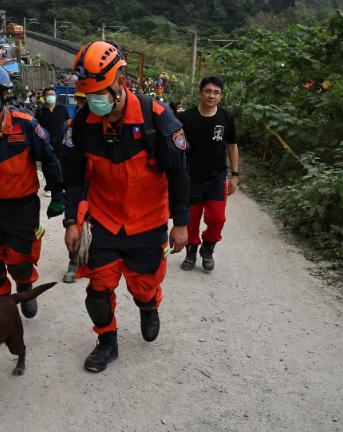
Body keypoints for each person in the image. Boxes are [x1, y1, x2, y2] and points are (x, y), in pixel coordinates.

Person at [62, 41, 190, 372]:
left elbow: (179, 173)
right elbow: (74, 178)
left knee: (143, 284)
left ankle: (148, 305)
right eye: (88, 95)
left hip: (148, 222)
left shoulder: (156, 118)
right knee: (97, 290)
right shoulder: (83, 125)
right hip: (104, 220)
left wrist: (181, 223)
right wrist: (72, 222)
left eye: (100, 92)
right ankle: (107, 342)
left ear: (120, 81)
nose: (94, 101)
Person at [0, 61, 65, 318]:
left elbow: (49, 160)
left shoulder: (26, 126)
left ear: (5, 94)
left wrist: (57, 193)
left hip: (23, 206)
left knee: (20, 261)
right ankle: (1, 308)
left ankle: (25, 287)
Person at [175, 76, 239, 272]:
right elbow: (176, 147)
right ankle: (191, 252)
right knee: (191, 221)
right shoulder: (185, 118)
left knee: (217, 219)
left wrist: (235, 175)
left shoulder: (226, 117)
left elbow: (232, 146)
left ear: (220, 96)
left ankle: (208, 248)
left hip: (216, 178)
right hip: (191, 179)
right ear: (200, 93)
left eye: (216, 92)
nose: (212, 95)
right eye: (208, 91)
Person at [61, 91, 86, 284]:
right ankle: (73, 260)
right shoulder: (73, 128)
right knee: (76, 221)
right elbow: (68, 159)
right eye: (82, 100)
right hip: (79, 180)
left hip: (106, 182)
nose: (84, 104)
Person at [35, 87, 71, 197]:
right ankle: (49, 186)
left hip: (60, 140)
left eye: (53, 94)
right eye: (48, 94)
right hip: (46, 142)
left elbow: (68, 122)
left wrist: (68, 134)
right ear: (45, 97)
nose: (51, 96)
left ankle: (62, 186)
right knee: (47, 165)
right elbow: (37, 126)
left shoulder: (62, 108)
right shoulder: (40, 110)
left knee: (61, 164)